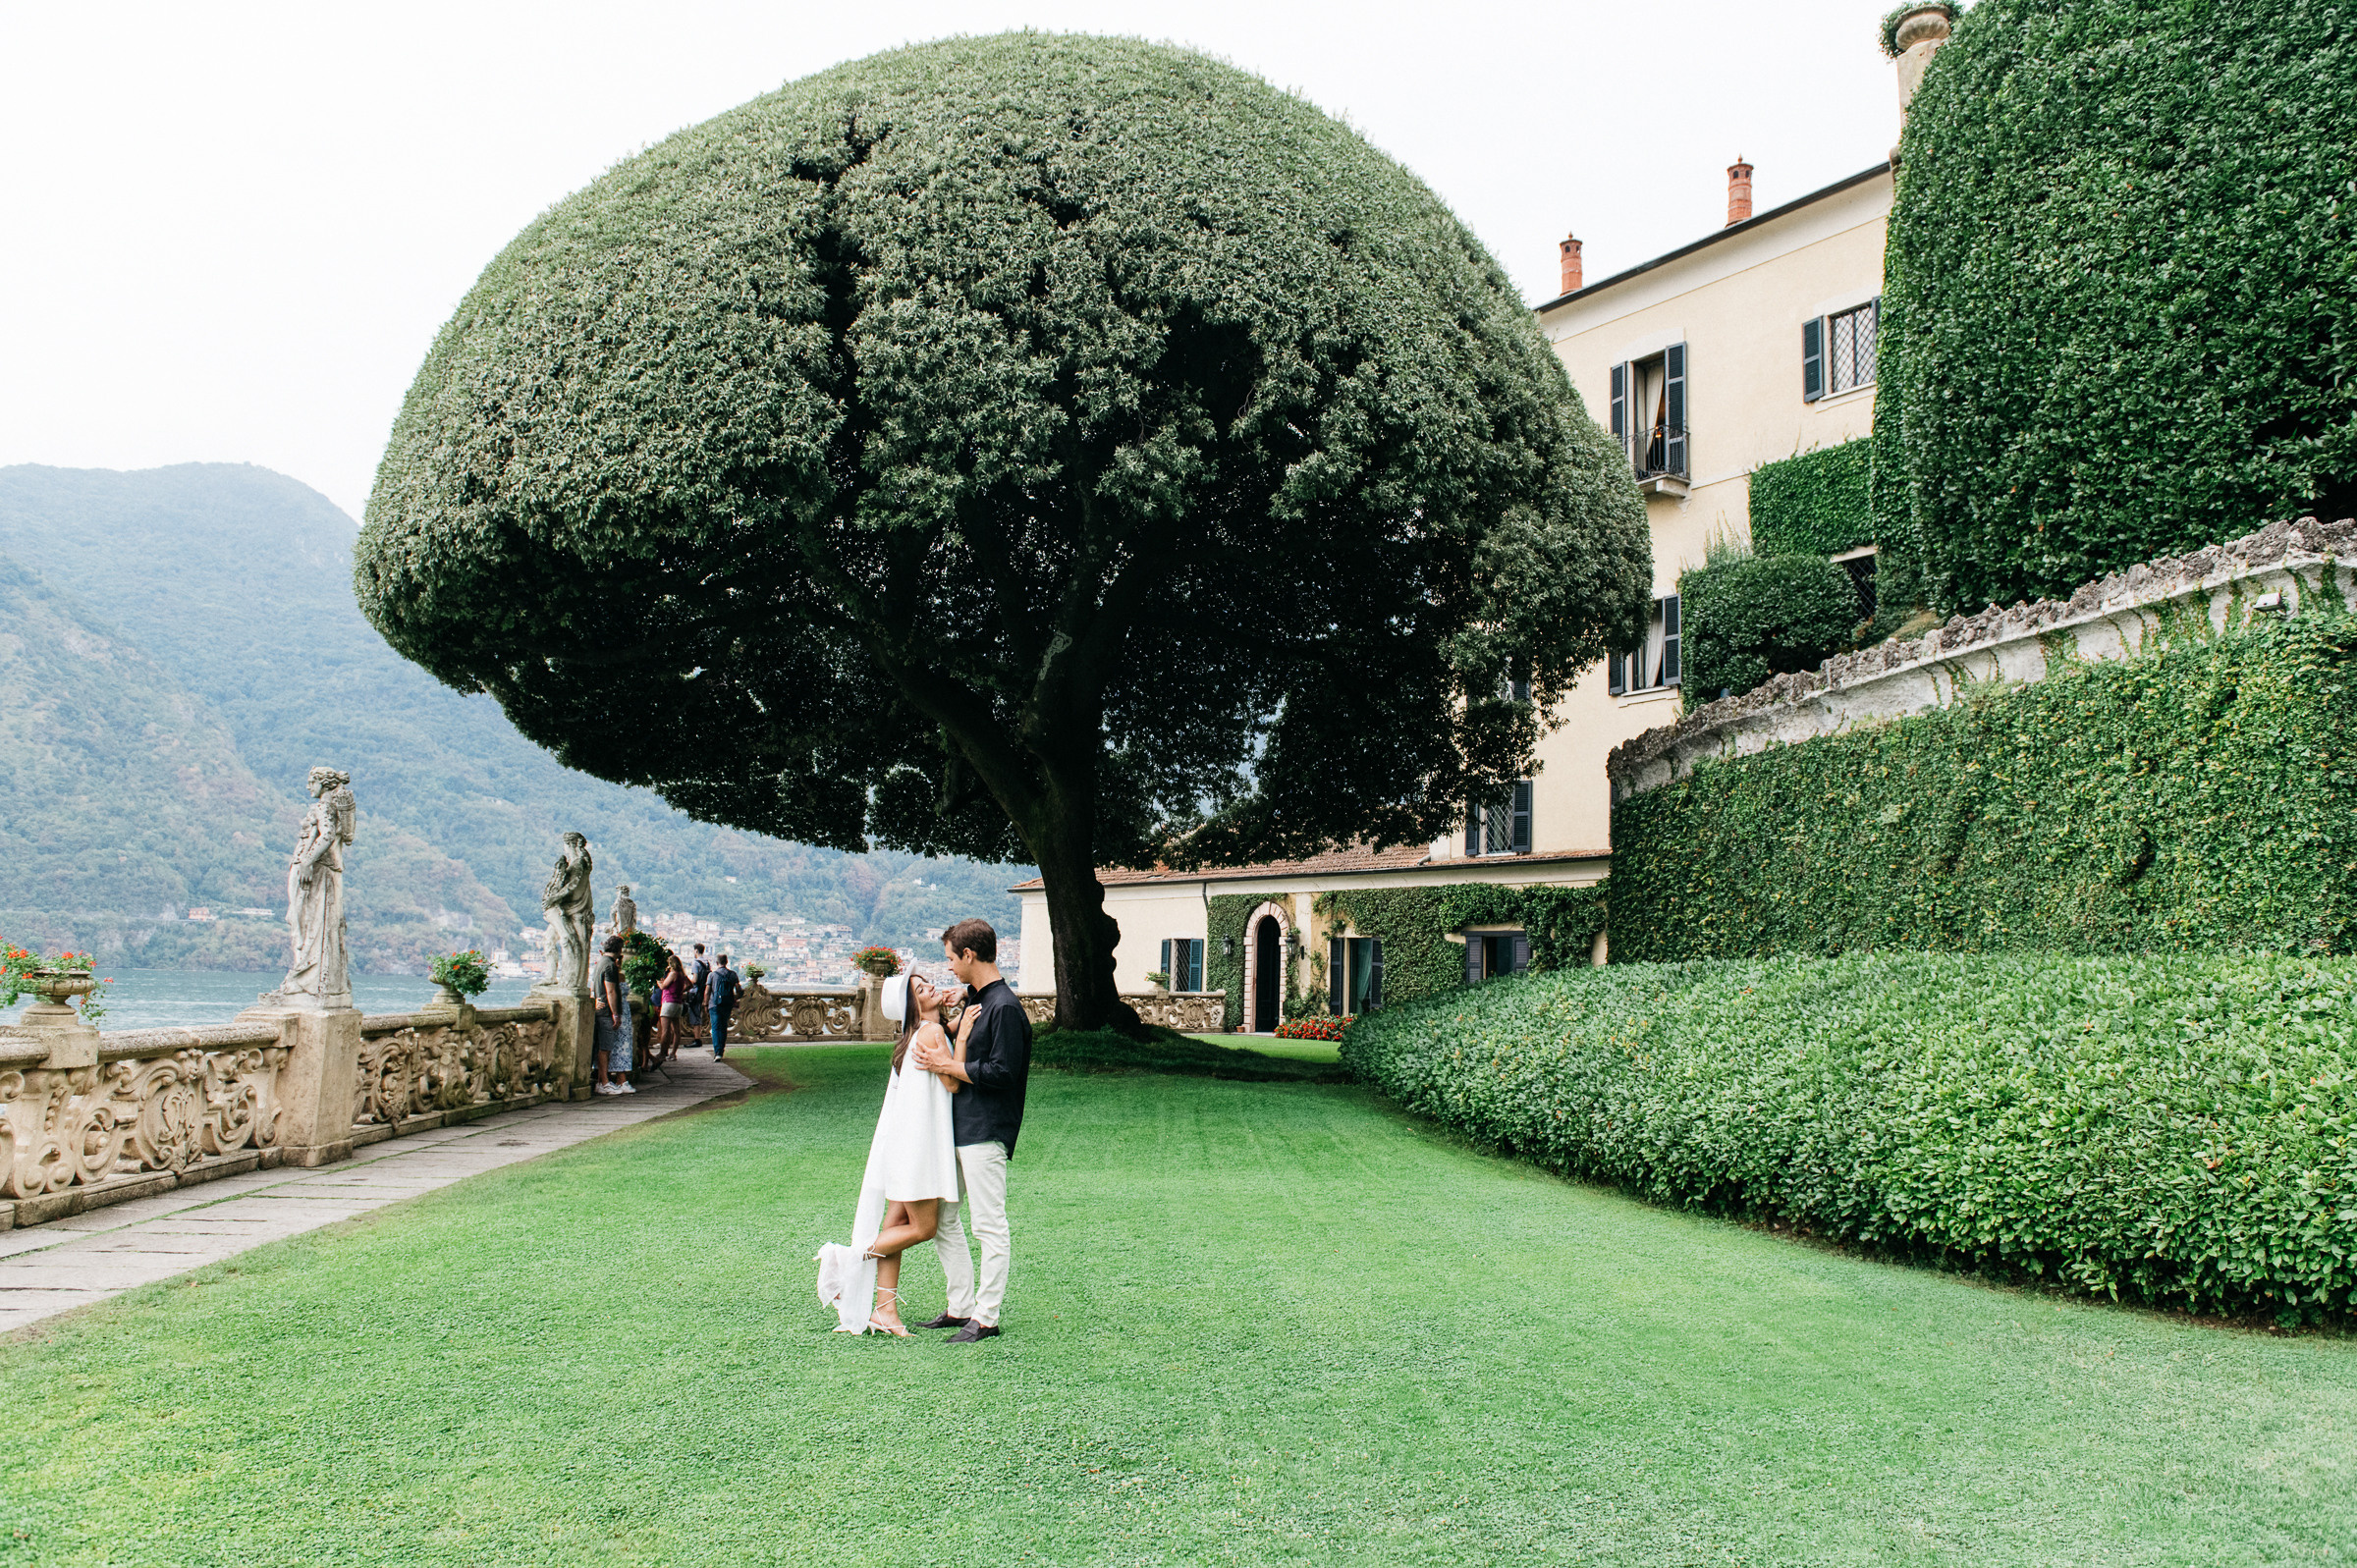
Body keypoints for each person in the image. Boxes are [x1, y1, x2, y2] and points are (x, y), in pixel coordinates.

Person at [814, 973, 965, 1335]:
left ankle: (885, 1310)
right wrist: (967, 1033)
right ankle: (845, 1259)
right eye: (921, 989)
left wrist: (958, 1014)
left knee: (894, 1226)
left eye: (927, 982)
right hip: (919, 1149)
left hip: (903, 1145)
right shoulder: (930, 1034)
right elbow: (953, 1081)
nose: (930, 986)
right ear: (913, 1005)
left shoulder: (915, 1036)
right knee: (924, 1228)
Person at [912, 917, 1031, 1343]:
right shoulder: (980, 999)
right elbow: (965, 1037)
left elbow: (1004, 1071)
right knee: (945, 1217)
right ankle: (960, 1306)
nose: (948, 969)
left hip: (986, 1130)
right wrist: (952, 1010)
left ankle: (987, 1317)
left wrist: (948, 1066)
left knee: (988, 1225)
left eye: (950, 959)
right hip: (959, 1129)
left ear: (969, 954)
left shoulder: (1004, 1008)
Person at [591, 936, 635, 1096]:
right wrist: (616, 1014)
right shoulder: (610, 966)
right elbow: (610, 991)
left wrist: (595, 999)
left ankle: (603, 1081)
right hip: (606, 1013)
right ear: (619, 950)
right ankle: (603, 1082)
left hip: (599, 1009)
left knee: (603, 1047)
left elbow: (594, 986)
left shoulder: (599, 963)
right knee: (605, 1048)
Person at [653, 952, 689, 1067]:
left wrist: (659, 982)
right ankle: (673, 1053)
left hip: (668, 1002)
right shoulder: (682, 974)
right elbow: (690, 985)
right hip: (678, 1003)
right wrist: (680, 991)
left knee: (665, 1030)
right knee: (677, 1030)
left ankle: (663, 1053)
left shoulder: (673, 974)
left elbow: (663, 986)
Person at [705, 952, 740, 1060]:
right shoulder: (733, 974)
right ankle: (721, 1050)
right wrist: (735, 999)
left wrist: (705, 1004)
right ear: (726, 962)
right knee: (723, 1027)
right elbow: (738, 989)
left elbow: (707, 991)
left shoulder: (712, 975)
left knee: (715, 1028)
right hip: (727, 1003)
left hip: (714, 1004)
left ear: (716, 962)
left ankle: (717, 1052)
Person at [687, 944, 712, 1035]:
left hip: (696, 992)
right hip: (704, 991)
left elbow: (695, 979)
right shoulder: (707, 963)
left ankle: (697, 1038)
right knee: (700, 1014)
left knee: (695, 1014)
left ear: (696, 951)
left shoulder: (696, 963)